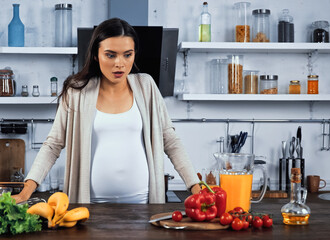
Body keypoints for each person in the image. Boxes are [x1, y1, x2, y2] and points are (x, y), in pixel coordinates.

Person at [12, 18, 201, 204]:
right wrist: (26, 191)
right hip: (88, 205)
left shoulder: (147, 86)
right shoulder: (77, 91)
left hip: (144, 204)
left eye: (127, 54)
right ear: (96, 54)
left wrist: (196, 187)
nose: (120, 63)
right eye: (110, 55)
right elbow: (53, 145)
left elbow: (171, 140)